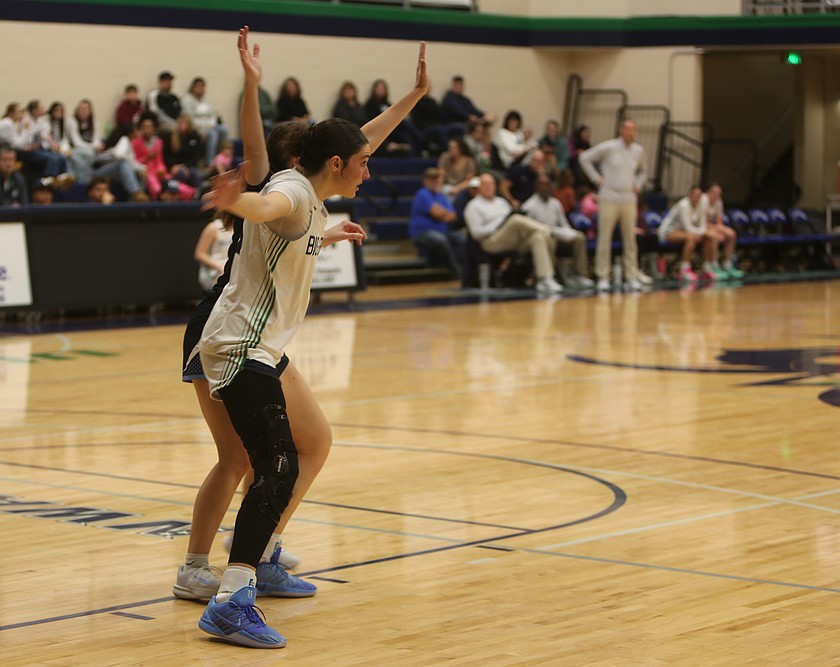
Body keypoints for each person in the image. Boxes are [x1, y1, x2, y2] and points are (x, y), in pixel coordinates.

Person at [182, 29, 429, 650]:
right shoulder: (290, 188)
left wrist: (415, 97)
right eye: (362, 160)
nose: (370, 164)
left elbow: (362, 140)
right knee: (265, 463)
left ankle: (249, 569)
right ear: (333, 161)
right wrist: (239, 202)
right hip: (235, 341)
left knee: (295, 453)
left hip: (257, 343)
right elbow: (269, 207)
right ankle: (226, 590)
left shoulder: (317, 197)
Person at [463, 173, 563, 295]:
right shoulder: (473, 206)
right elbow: (475, 233)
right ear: (479, 188)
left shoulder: (501, 202)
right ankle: (548, 230)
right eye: (485, 185)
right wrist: (497, 225)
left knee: (538, 237)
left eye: (491, 184)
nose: (489, 187)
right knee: (515, 220)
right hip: (491, 241)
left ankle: (545, 278)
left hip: (513, 240)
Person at [579, 119, 647, 292]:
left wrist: (638, 184)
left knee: (630, 240)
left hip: (628, 199)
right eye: (627, 129)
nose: (630, 133)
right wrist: (596, 178)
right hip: (608, 197)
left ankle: (631, 275)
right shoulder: (609, 147)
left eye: (633, 130)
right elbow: (584, 158)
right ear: (621, 130)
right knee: (604, 238)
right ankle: (603, 276)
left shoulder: (639, 151)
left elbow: (644, 171)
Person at [521, 174, 594, 288]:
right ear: (536, 187)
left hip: (559, 233)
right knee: (548, 240)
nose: (545, 188)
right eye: (542, 185)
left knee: (579, 237)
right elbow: (528, 229)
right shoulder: (529, 206)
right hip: (543, 236)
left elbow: (563, 222)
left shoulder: (556, 203)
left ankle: (580, 274)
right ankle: (549, 277)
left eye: (547, 185)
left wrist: (568, 232)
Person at [409, 167, 465, 279]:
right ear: (425, 181)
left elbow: (453, 217)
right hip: (422, 233)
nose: (435, 182)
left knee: (462, 239)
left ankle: (461, 268)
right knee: (440, 239)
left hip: (443, 231)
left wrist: (441, 212)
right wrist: (443, 213)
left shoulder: (441, 196)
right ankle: (455, 271)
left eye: (437, 179)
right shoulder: (422, 194)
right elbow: (436, 213)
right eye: (432, 179)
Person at [657, 185, 714, 283]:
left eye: (699, 196)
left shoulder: (702, 205)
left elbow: (702, 225)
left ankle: (707, 268)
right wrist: (703, 233)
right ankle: (684, 270)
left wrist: (704, 233)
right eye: (695, 195)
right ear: (689, 194)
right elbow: (688, 228)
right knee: (691, 238)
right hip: (668, 231)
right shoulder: (683, 205)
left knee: (707, 238)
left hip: (685, 232)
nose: (697, 198)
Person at [132, 111, 195, 200]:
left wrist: (161, 170)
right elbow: (134, 161)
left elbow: (159, 161)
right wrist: (148, 158)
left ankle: (185, 194)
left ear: (154, 128)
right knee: (155, 186)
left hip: (158, 172)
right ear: (141, 128)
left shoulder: (158, 142)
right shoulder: (136, 143)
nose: (147, 130)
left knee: (175, 184)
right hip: (145, 171)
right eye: (144, 127)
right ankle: (161, 197)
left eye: (149, 127)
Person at [181, 76, 228, 164]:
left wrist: (211, 124)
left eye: (202, 86)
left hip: (209, 125)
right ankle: (210, 161)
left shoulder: (206, 99)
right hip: (197, 127)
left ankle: (221, 158)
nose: (200, 89)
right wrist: (205, 126)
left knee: (223, 129)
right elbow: (189, 117)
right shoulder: (187, 99)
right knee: (213, 134)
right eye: (197, 86)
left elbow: (213, 114)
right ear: (193, 87)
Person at [702, 183, 744, 280]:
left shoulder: (719, 202)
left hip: (712, 227)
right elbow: (703, 222)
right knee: (715, 236)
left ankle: (727, 265)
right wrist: (717, 230)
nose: (717, 195)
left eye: (719, 193)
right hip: (702, 227)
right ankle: (714, 266)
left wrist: (723, 230)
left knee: (731, 234)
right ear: (709, 192)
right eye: (715, 193)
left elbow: (719, 222)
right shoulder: (703, 200)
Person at [195, 215, 234, 290]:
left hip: (231, 267)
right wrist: (220, 267)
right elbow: (200, 254)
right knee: (225, 276)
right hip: (214, 269)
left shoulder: (243, 228)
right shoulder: (213, 227)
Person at [436, 136, 476, 201]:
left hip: (462, 188)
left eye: (453, 147)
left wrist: (457, 189)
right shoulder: (445, 158)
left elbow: (469, 180)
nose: (450, 149)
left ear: (460, 149)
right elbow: (441, 175)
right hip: (446, 187)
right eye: (449, 147)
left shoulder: (469, 162)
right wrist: (438, 189)